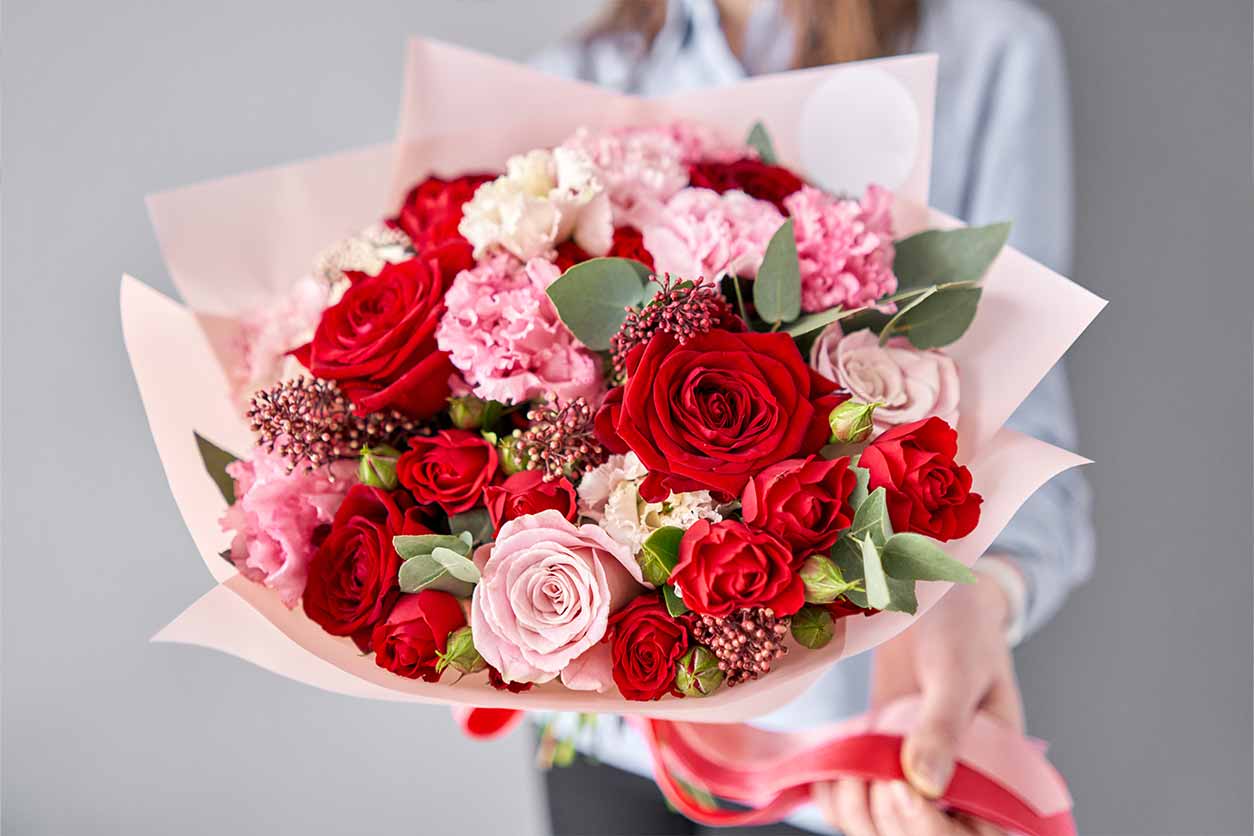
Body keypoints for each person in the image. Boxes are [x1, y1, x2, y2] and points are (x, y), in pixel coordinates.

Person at [531, 1, 1093, 833]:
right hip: (610, 739)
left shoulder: (987, 51)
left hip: (839, 758)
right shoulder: (585, 69)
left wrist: (978, 599)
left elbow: (1024, 412)